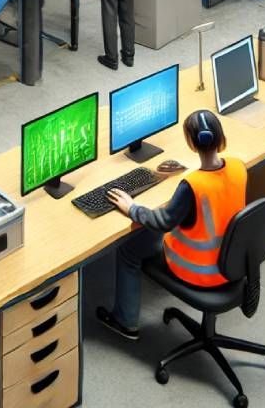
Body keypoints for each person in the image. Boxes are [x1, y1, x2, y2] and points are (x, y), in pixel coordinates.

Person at [97, 110, 248, 341]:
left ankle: (125, 322)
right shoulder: (239, 167)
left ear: (190, 142)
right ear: (220, 137)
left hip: (200, 270)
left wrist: (132, 208)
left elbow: (163, 221)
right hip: (231, 264)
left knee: (130, 247)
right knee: (167, 232)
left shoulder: (193, 184)